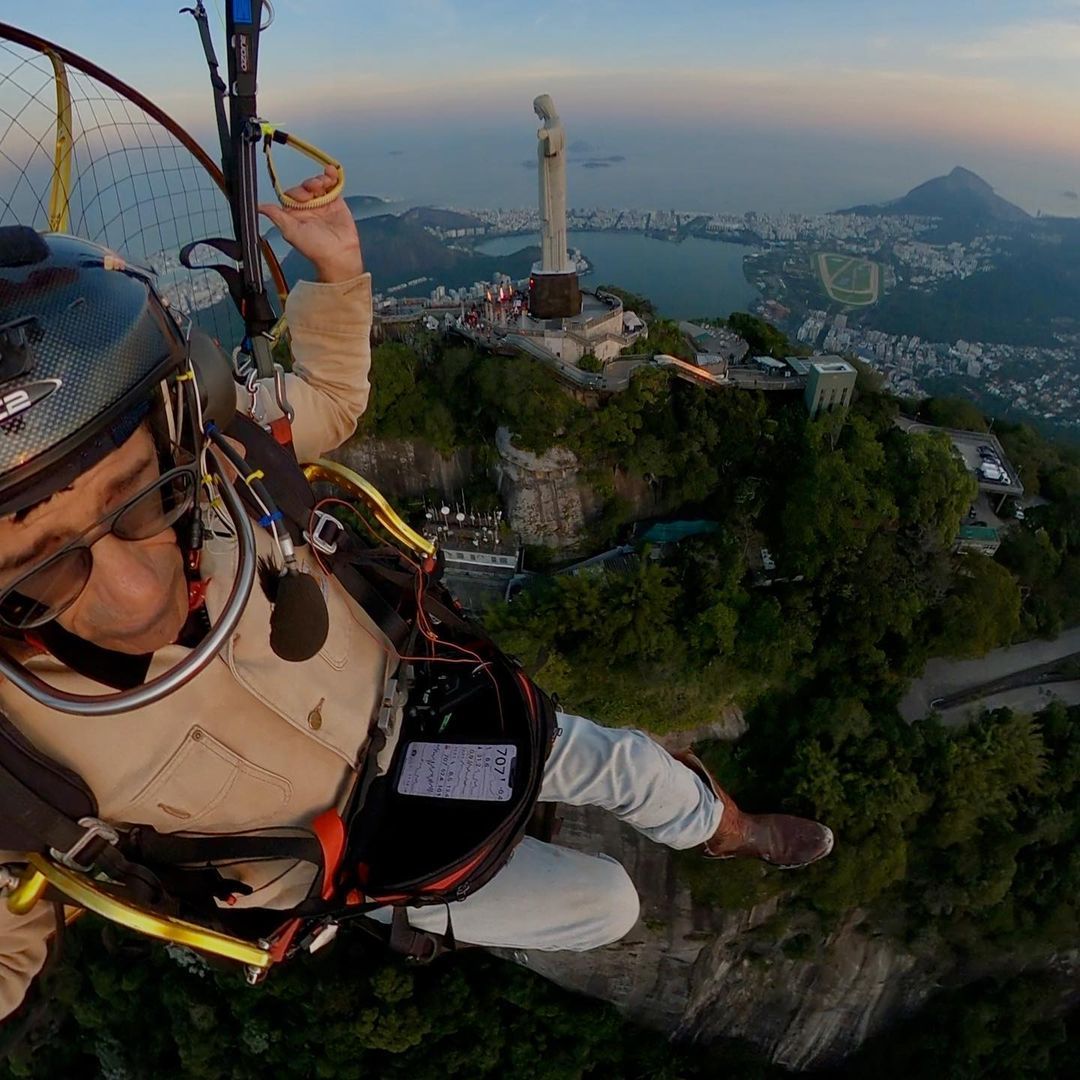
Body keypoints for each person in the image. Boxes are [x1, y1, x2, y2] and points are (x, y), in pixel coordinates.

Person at [0, 169, 832, 1022]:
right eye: (34, 568)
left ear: (168, 427)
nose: (135, 589)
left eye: (136, 498)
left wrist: (337, 274)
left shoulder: (211, 463)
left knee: (632, 765)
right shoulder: (8, 748)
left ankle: (729, 831)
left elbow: (323, 400)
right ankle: (423, 902)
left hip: (422, 711)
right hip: (351, 863)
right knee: (608, 905)